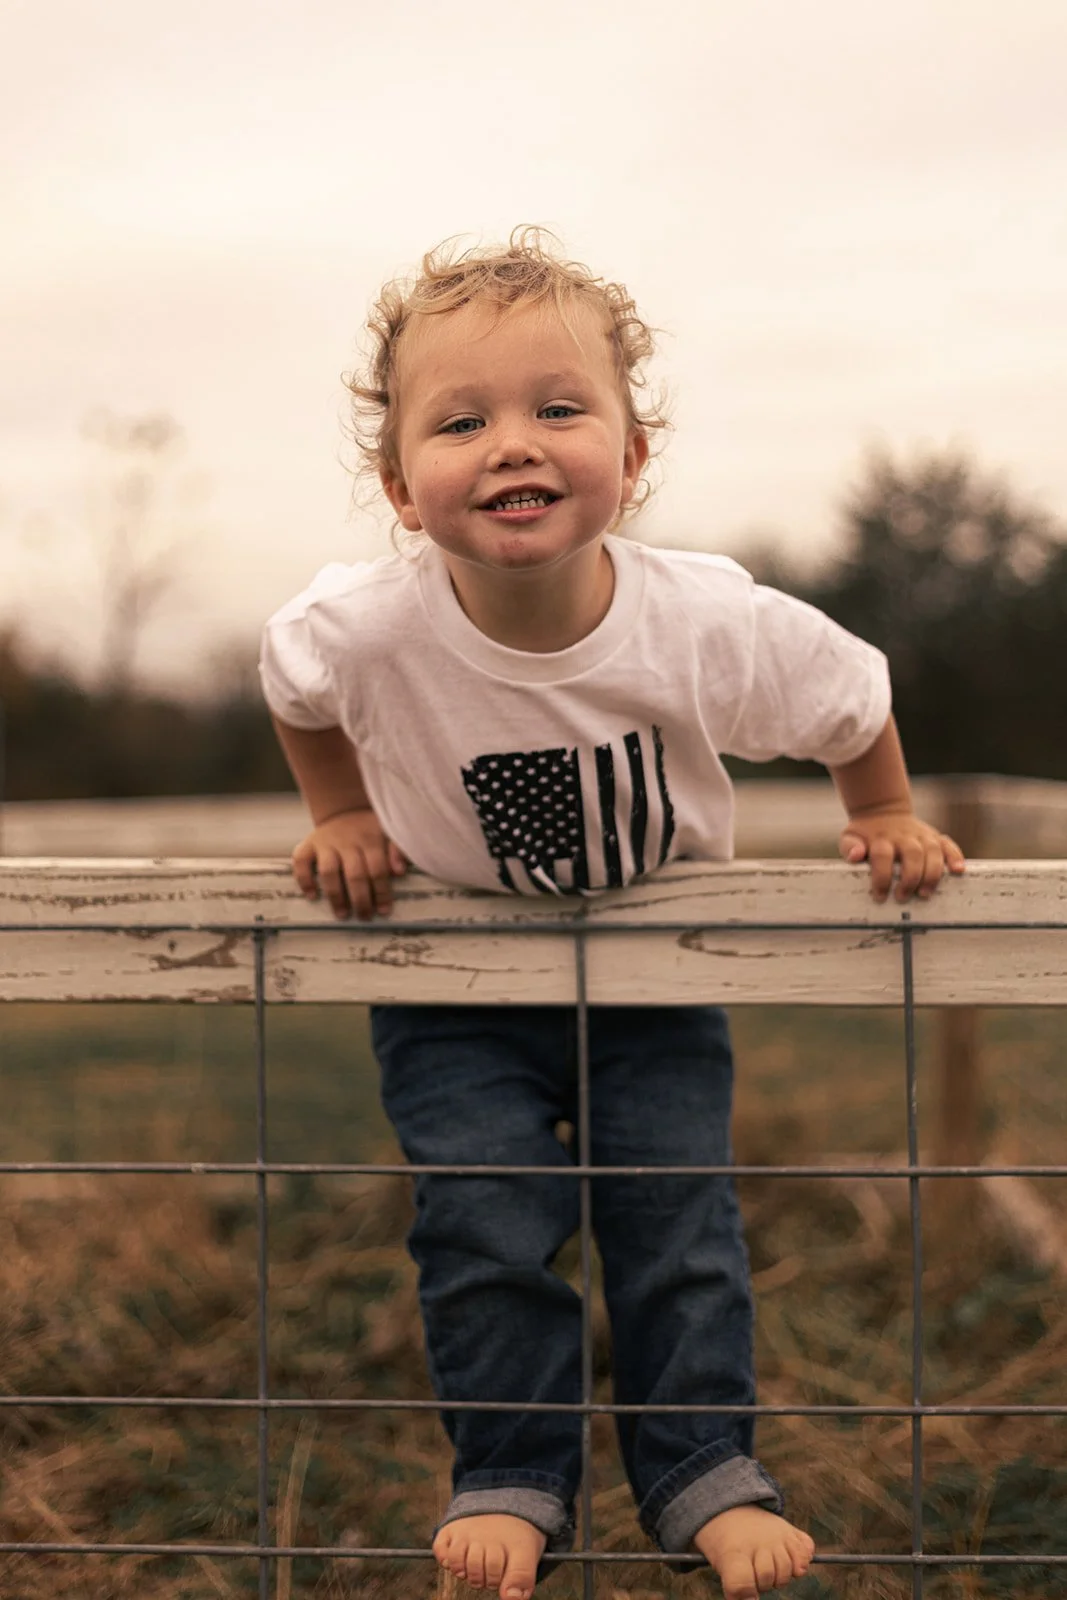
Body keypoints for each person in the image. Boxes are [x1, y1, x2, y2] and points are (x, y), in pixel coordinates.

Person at [259, 228, 965, 1600]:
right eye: (461, 422)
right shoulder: (363, 628)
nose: (511, 442)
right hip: (453, 984)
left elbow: (851, 697)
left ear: (631, 459)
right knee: (482, 1223)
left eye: (556, 409)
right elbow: (291, 691)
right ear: (402, 489)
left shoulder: (702, 620)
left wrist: (878, 810)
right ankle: (513, 1475)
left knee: (674, 1221)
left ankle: (703, 1470)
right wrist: (337, 812)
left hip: (650, 973)